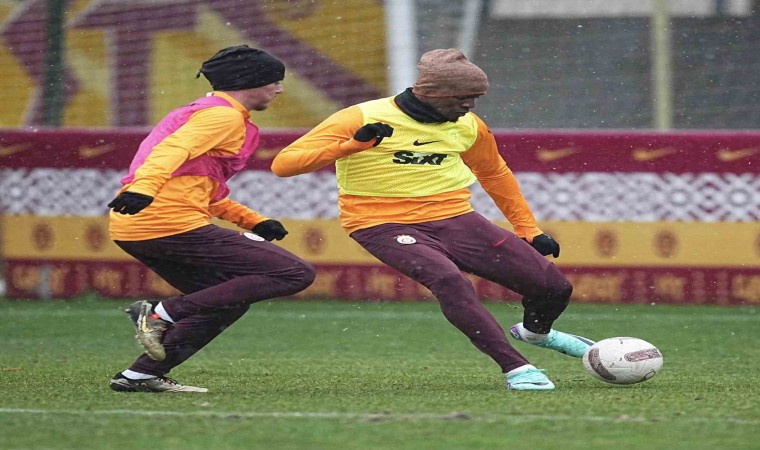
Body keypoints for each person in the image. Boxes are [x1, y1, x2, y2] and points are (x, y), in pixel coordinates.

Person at [271, 48, 593, 391]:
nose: (470, 105)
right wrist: (350, 146)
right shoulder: (360, 117)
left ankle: (536, 334)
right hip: (379, 223)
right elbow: (284, 165)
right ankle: (517, 368)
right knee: (449, 280)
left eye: (476, 97)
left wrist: (528, 228)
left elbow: (494, 173)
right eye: (463, 97)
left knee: (553, 287)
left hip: (456, 218)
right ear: (434, 93)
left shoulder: (469, 126)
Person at [106, 45, 315, 393]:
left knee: (225, 300)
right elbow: (171, 152)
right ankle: (159, 313)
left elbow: (201, 186)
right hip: (166, 223)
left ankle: (140, 376)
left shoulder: (206, 112)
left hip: (139, 226)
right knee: (294, 272)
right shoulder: (223, 116)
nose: (279, 89)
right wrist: (144, 188)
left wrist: (252, 220)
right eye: (275, 81)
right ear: (250, 81)